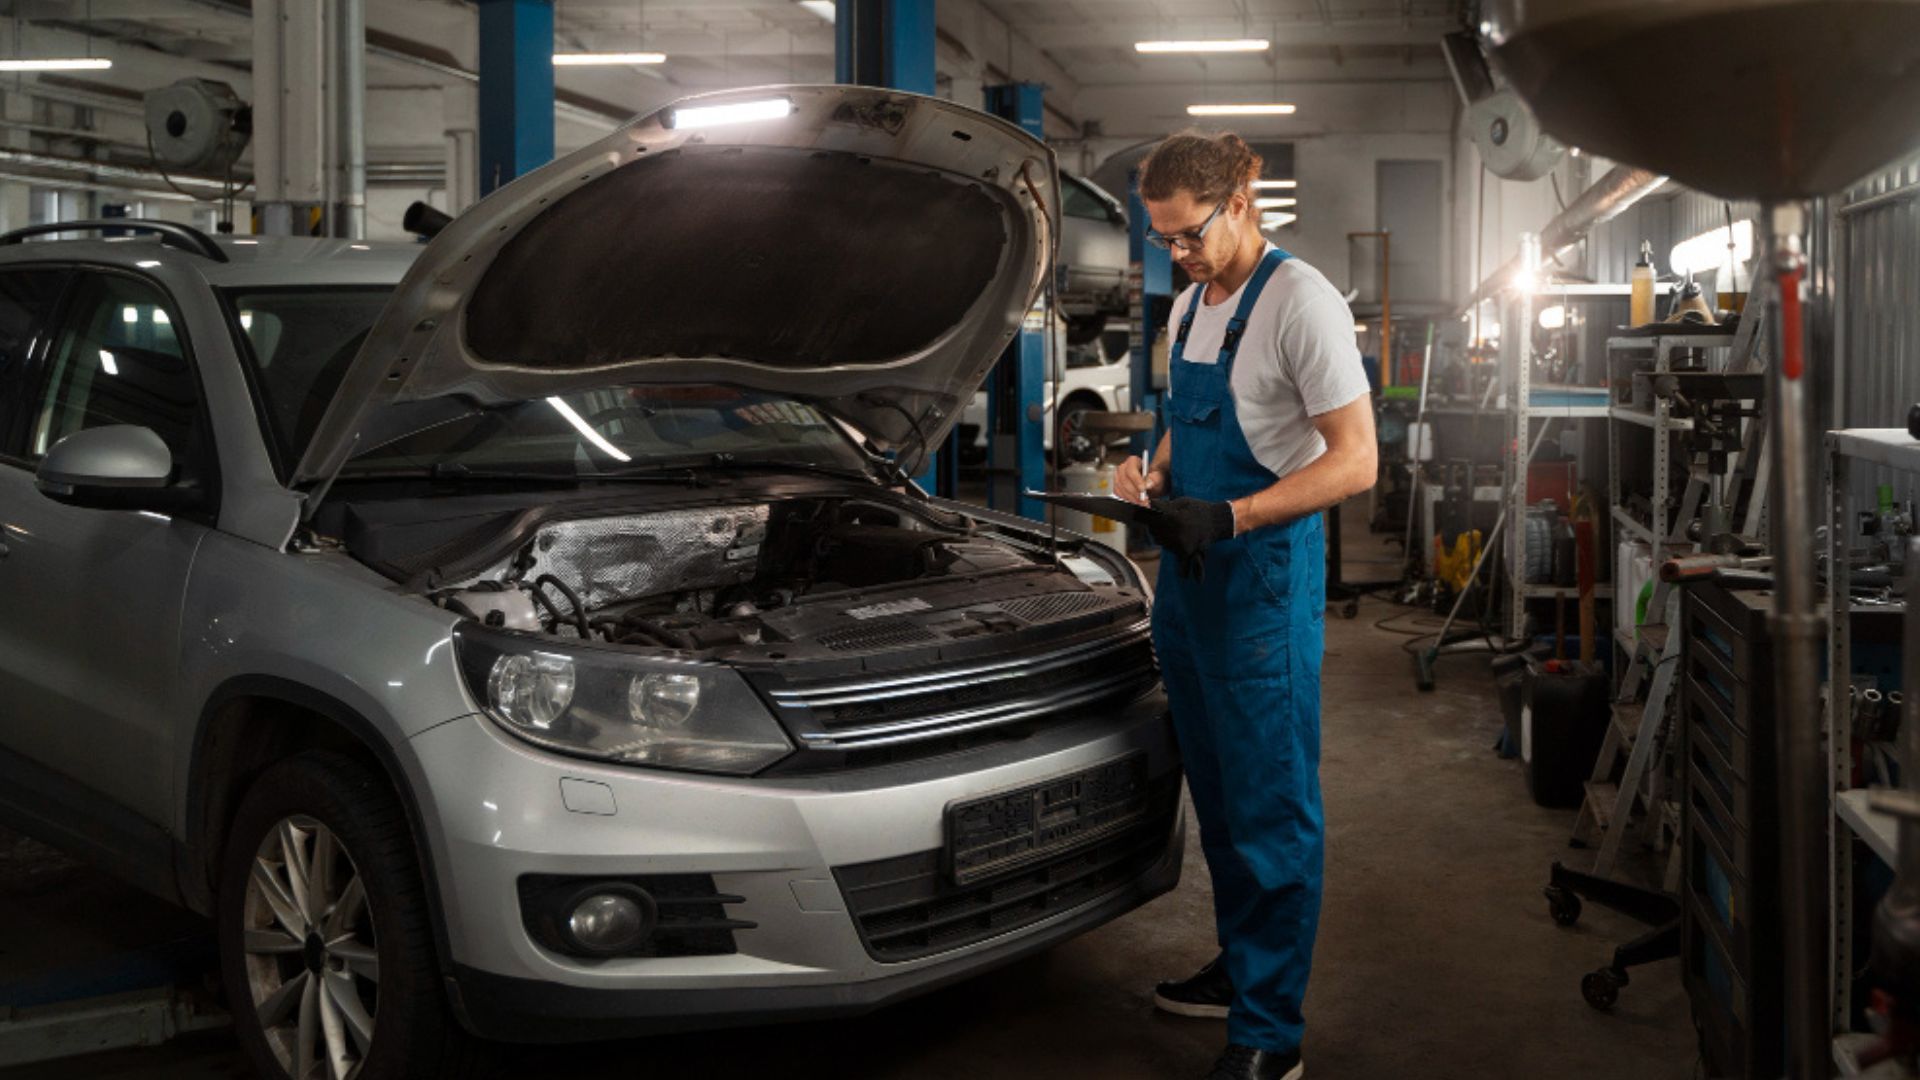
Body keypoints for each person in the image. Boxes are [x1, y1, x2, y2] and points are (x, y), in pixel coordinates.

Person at [1114, 131, 1377, 1080]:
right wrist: (1153, 474)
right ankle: (1242, 968)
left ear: (1238, 204)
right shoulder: (1189, 304)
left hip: (1260, 579)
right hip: (1189, 586)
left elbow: (1357, 461)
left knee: (1270, 805)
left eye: (1189, 235)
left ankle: (1271, 1031)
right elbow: (1186, 423)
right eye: (1163, 239)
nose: (1177, 254)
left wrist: (1229, 516)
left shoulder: (1302, 301)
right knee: (1219, 797)